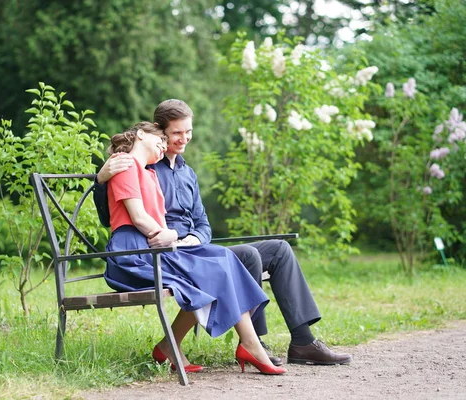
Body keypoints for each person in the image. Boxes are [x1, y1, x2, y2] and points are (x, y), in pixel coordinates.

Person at [94, 100, 352, 366]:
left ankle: (303, 341)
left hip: (193, 247)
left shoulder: (187, 173)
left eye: (188, 132)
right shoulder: (147, 166)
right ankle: (254, 342)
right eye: (176, 133)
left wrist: (193, 238)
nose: (184, 139)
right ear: (159, 132)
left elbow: (203, 223)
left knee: (279, 249)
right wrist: (100, 180)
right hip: (167, 251)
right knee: (248, 255)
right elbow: (113, 215)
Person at [103, 121, 286, 375]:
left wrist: (172, 236)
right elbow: (138, 218)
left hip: (154, 247)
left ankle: (247, 342)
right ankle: (249, 344)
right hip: (134, 254)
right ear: (142, 134)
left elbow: (161, 219)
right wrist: (165, 236)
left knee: (222, 258)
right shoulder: (125, 165)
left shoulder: (150, 173)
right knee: (211, 270)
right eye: (161, 140)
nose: (164, 146)